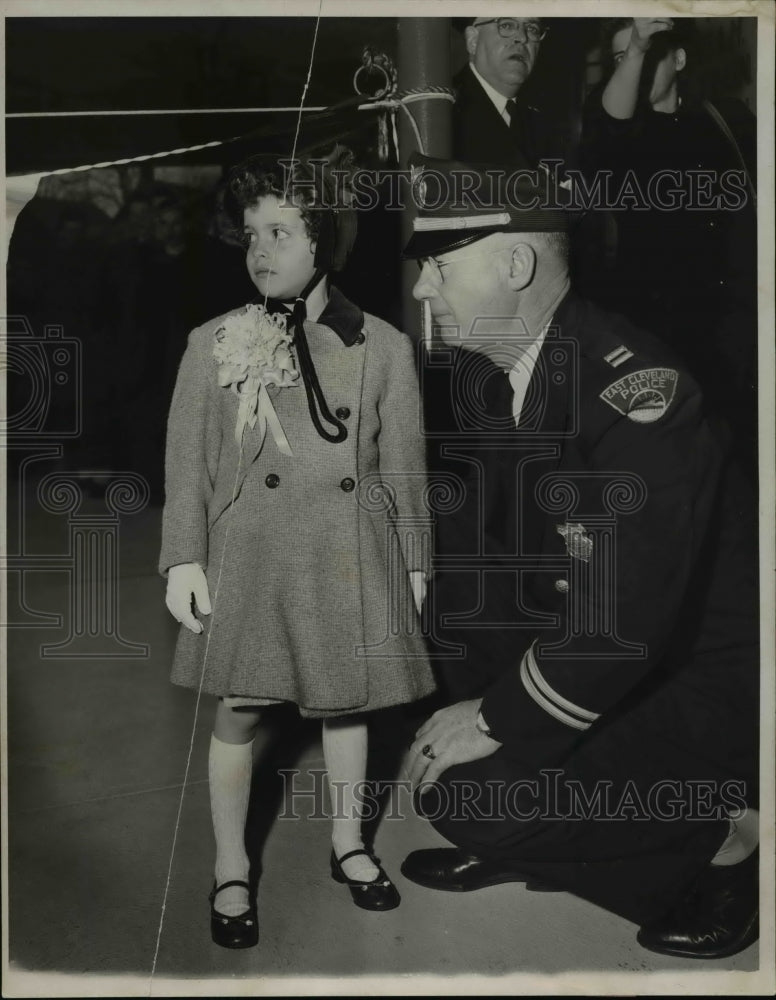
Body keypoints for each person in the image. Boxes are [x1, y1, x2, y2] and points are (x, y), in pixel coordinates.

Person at [400, 153, 759, 959]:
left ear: (516, 262)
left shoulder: (641, 397)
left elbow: (621, 625)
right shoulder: (509, 374)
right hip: (603, 639)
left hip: (699, 686)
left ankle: (730, 842)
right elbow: (505, 558)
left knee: (464, 798)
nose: (425, 290)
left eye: (438, 267)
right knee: (432, 560)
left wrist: (492, 719)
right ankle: (543, 820)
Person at [159, 148, 436, 949]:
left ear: (325, 241)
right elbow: (187, 461)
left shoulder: (381, 345)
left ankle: (348, 842)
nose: (261, 251)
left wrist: (414, 563)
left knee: (348, 703)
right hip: (250, 555)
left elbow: (402, 464)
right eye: (251, 234)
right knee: (241, 707)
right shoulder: (212, 341)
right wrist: (183, 557)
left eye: (280, 231)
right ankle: (231, 864)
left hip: (348, 552)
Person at [580, 17, 757, 474]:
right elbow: (609, 124)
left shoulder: (726, 120)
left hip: (725, 325)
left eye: (646, 52)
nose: (632, 63)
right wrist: (638, 49)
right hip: (649, 326)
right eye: (620, 57)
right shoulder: (617, 127)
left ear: (678, 60)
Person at [451, 16, 555, 167]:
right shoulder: (446, 112)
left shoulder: (545, 119)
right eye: (506, 25)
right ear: (473, 41)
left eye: (532, 29)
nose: (522, 37)